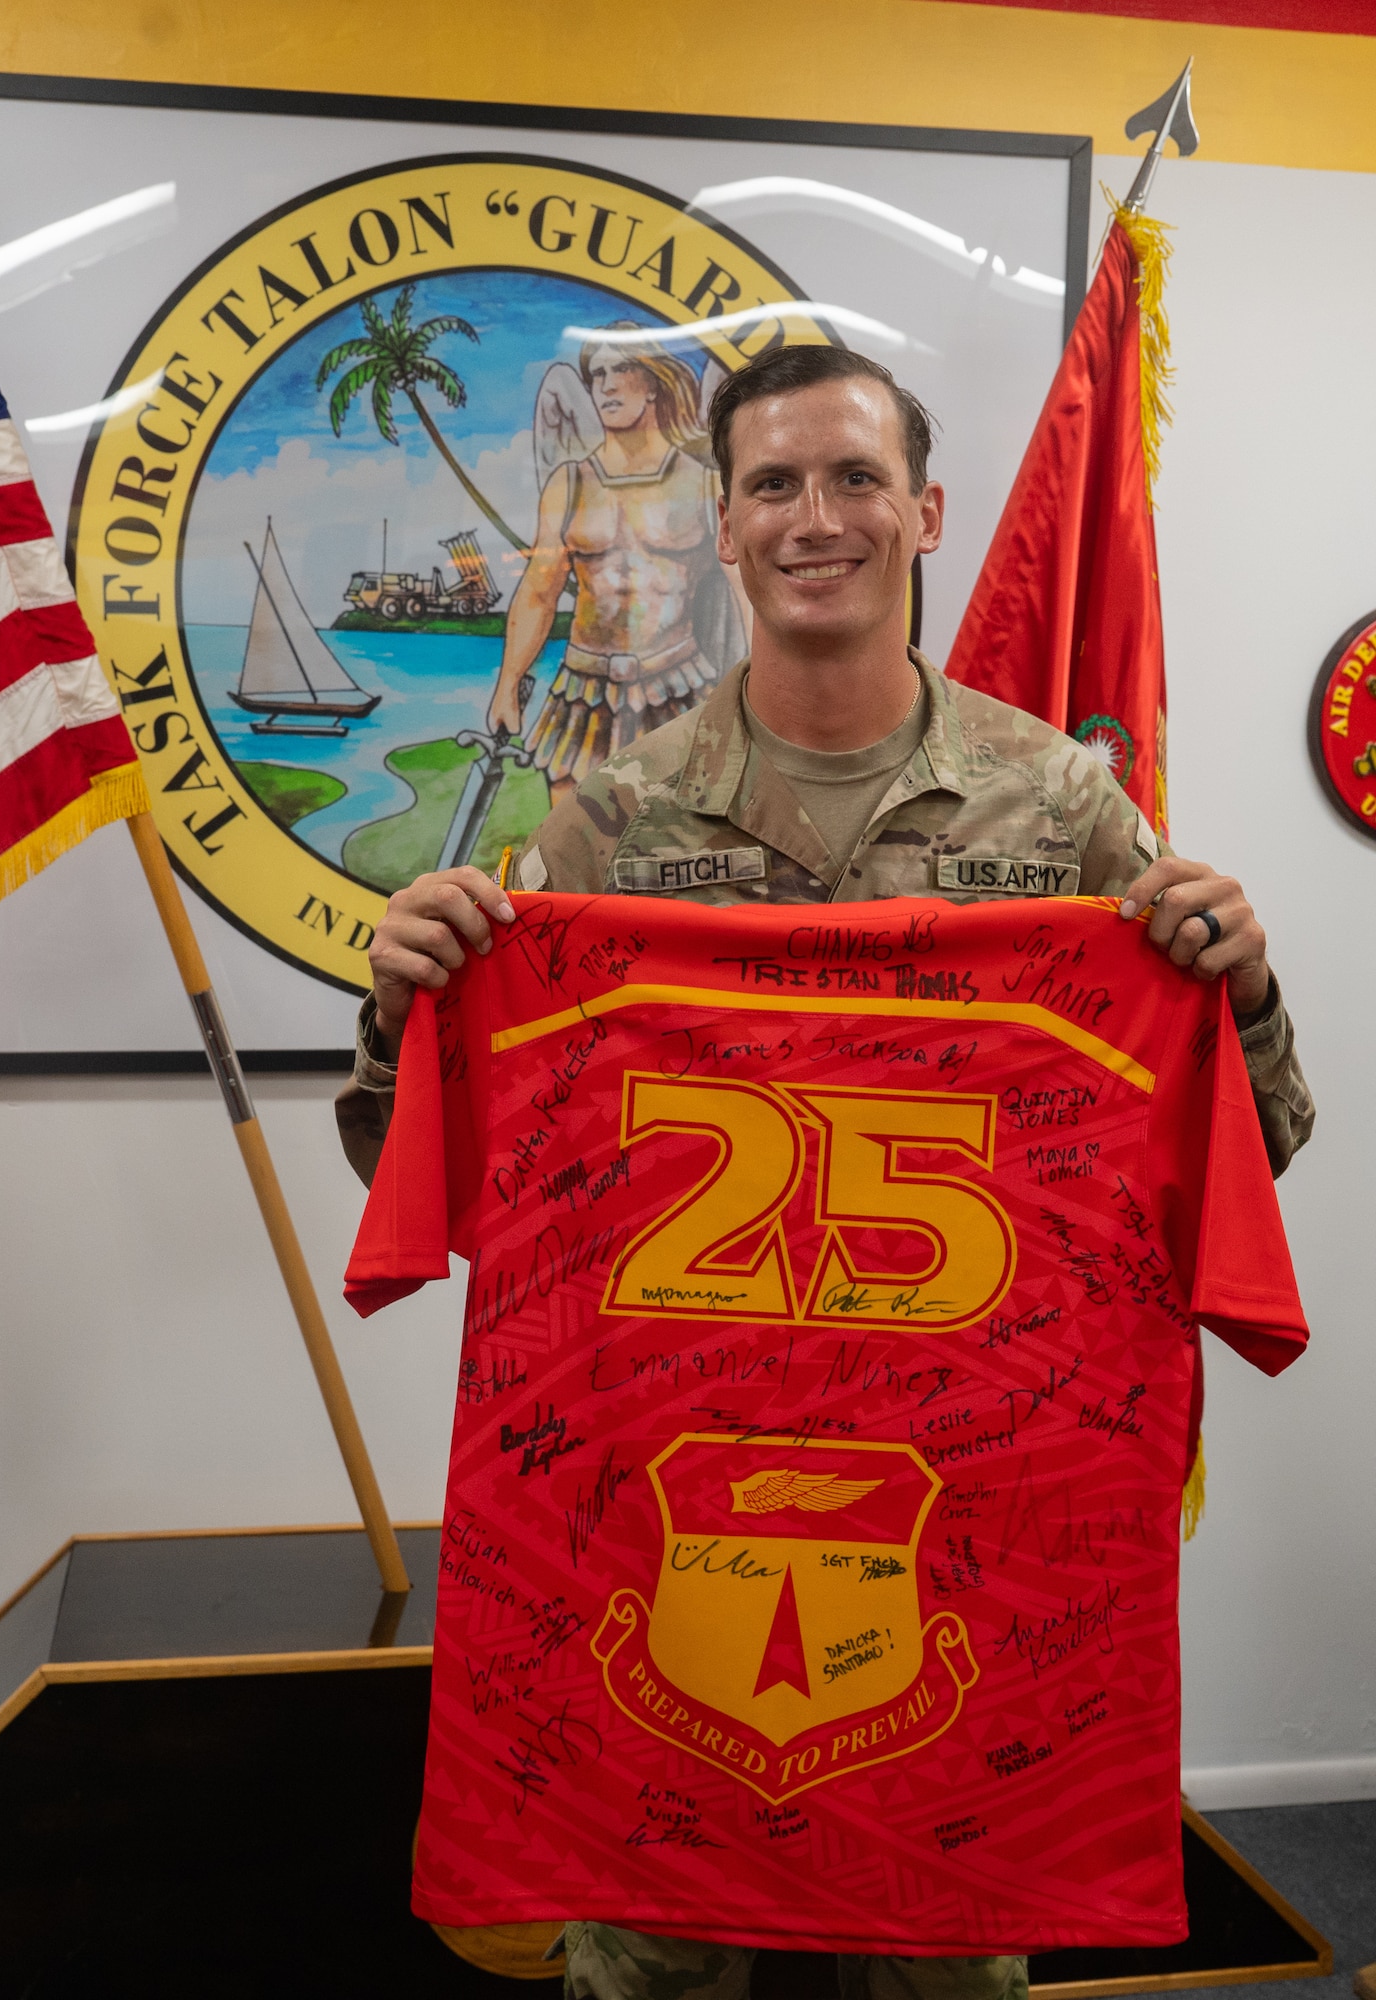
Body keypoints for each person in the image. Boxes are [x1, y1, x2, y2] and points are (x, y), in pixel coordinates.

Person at [336, 342, 1313, 2000]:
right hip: (662, 1507)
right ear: (721, 528)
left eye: (856, 478)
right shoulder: (610, 821)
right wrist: (409, 1006)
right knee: (650, 1962)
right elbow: (453, 1174)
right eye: (776, 484)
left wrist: (1241, 980)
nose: (817, 516)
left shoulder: (1066, 807)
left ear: (925, 512)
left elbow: (1241, 1140)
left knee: (955, 1964)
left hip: (962, 1525)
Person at [487, 323, 744, 802]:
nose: (605, 383)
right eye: (596, 372)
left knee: (681, 845)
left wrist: (765, 686)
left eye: (621, 367)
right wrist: (508, 683)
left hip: (679, 687)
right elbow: (539, 590)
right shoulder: (569, 483)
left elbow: (747, 591)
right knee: (566, 846)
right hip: (581, 690)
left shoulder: (707, 484)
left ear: (652, 382)